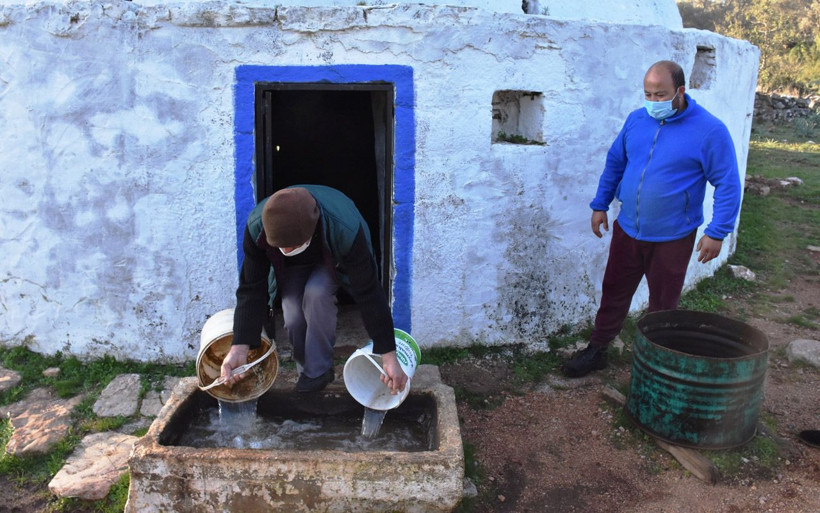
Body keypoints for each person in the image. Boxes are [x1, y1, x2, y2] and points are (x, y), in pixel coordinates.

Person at [563, 60, 742, 378]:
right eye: (648, 94)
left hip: (673, 235)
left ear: (680, 91)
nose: (653, 102)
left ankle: (656, 364)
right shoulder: (636, 121)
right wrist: (600, 203)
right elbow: (615, 162)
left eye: (661, 95)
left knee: (663, 304)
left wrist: (717, 232)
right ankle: (598, 349)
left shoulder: (710, 131)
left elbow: (727, 182)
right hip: (628, 227)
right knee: (614, 290)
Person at [221, 185, 408, 394]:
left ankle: (317, 373)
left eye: (291, 245)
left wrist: (389, 355)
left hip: (329, 255)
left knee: (316, 294)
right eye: (281, 246)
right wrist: (239, 347)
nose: (287, 250)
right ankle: (307, 371)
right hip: (289, 267)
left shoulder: (345, 227)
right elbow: (251, 288)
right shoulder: (258, 227)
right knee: (291, 307)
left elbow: (369, 292)